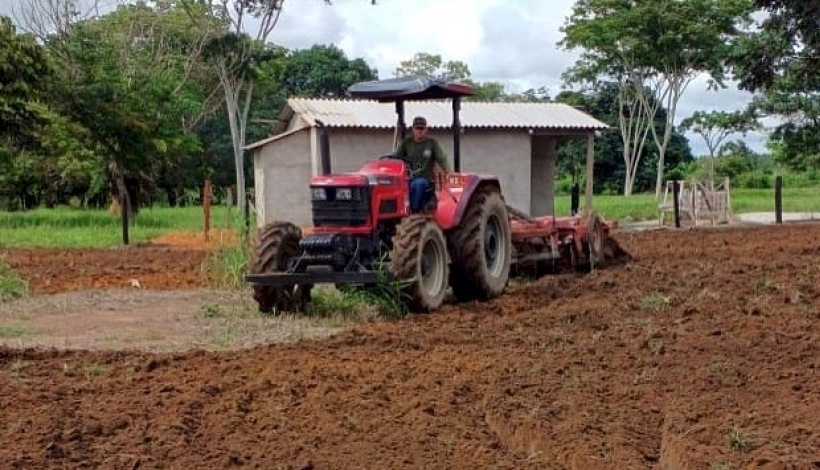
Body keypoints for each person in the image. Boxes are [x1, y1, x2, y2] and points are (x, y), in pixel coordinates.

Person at [395, 116, 450, 213]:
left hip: (424, 179)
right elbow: (396, 158)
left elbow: (442, 159)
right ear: (413, 129)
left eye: (422, 128)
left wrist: (449, 173)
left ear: (426, 129)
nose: (420, 131)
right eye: (417, 128)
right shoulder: (406, 143)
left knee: (417, 184)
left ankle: (413, 211)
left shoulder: (431, 143)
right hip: (407, 178)